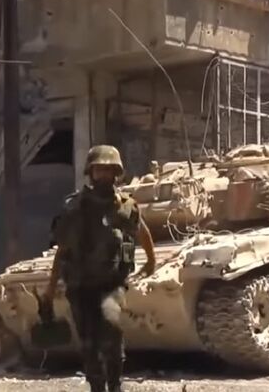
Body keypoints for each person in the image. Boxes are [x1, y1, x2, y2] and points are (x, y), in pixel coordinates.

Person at [44, 145, 156, 392]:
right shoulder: (75, 207)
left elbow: (141, 230)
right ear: (90, 172)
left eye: (109, 170)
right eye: (99, 170)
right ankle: (97, 387)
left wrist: (151, 260)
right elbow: (62, 250)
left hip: (111, 283)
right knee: (88, 343)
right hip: (79, 284)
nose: (104, 174)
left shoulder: (125, 206)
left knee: (111, 324)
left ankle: (115, 385)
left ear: (117, 173)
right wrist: (50, 290)